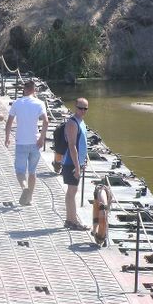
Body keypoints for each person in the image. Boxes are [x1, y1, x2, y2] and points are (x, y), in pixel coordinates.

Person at [4, 80, 49, 206]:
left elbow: (9, 123)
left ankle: (24, 188)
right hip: (35, 142)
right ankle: (30, 199)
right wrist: (42, 138)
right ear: (34, 90)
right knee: (32, 172)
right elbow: (46, 121)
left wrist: (7, 137)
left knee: (20, 171)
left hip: (21, 141)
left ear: (24, 89)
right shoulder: (39, 103)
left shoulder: (17, 103)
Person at [63, 98, 89, 230]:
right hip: (71, 163)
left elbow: (82, 143)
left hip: (78, 162)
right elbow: (72, 146)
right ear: (75, 107)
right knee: (72, 192)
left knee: (72, 191)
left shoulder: (81, 121)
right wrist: (77, 167)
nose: (83, 111)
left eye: (85, 109)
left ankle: (69, 220)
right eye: (80, 108)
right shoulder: (72, 123)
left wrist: (84, 159)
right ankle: (73, 221)